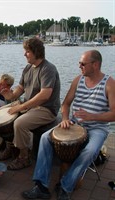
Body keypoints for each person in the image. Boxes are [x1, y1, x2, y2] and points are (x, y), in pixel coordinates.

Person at [22, 50, 115, 200]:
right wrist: (65, 118)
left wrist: (92, 116)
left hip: (97, 127)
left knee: (90, 151)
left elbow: (114, 114)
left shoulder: (109, 83)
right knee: (46, 137)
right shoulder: (78, 80)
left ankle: (65, 186)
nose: (79, 66)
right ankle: (41, 186)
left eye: (83, 64)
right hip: (75, 123)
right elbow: (65, 104)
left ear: (96, 64)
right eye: (79, 63)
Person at [0, 37, 60, 170]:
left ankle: (24, 157)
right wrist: (10, 95)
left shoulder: (48, 69)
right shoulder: (27, 68)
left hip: (46, 109)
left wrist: (20, 107)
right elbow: (20, 89)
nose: (24, 54)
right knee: (0, 113)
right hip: (30, 105)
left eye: (27, 51)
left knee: (19, 123)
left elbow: (45, 95)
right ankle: (11, 147)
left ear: (36, 52)